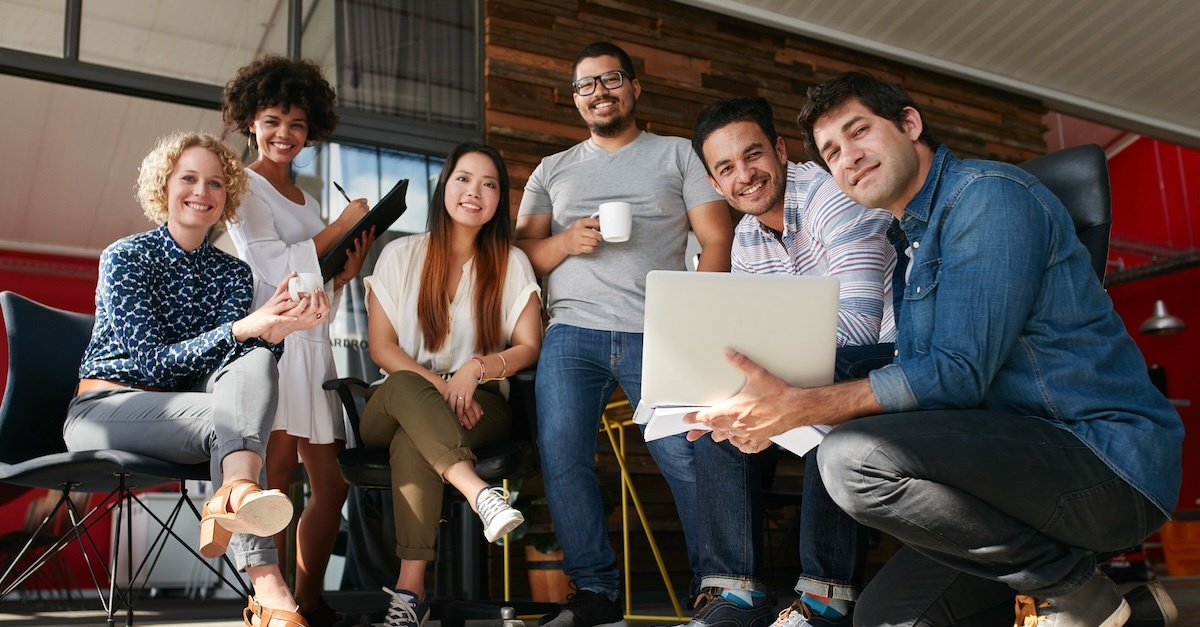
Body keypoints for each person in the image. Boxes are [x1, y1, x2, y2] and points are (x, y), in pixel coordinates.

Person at [691, 70, 1183, 627]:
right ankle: (1128, 613)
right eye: (832, 151)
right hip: (1001, 480)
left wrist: (800, 406)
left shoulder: (988, 198)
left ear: (909, 123)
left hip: (1099, 462)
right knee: (885, 618)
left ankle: (1072, 588)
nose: (847, 157)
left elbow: (957, 375)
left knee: (852, 459)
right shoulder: (909, 241)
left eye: (859, 133)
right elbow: (925, 386)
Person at [64, 132, 330, 627]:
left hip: (195, 417)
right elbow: (150, 365)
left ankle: (235, 494)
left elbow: (228, 371)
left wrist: (279, 332)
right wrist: (243, 329)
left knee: (254, 365)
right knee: (240, 423)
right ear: (164, 186)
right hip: (107, 411)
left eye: (215, 183)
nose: (201, 191)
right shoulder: (125, 257)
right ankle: (268, 583)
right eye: (188, 178)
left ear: (227, 195)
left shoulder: (233, 274)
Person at [514, 41, 737, 627]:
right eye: (586, 85)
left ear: (634, 87)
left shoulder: (678, 155)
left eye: (611, 79)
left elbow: (716, 239)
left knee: (683, 457)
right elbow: (517, 257)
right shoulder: (552, 169)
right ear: (575, 99)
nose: (599, 92)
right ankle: (595, 593)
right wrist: (564, 243)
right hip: (571, 333)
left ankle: (716, 588)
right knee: (562, 459)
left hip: (656, 330)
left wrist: (692, 318)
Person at [689, 96, 897, 627]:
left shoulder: (833, 196)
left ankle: (825, 599)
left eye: (754, 155)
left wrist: (775, 402)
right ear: (716, 184)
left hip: (888, 365)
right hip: (814, 374)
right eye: (727, 168)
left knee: (834, 369)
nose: (746, 176)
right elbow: (756, 349)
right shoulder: (745, 241)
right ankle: (734, 595)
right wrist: (744, 404)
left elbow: (858, 328)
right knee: (717, 408)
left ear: (781, 151)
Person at [359, 142, 542, 627]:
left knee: (413, 439)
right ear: (445, 186)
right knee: (404, 389)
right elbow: (383, 350)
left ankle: (410, 593)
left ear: (500, 199)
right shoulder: (399, 255)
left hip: (480, 404)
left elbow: (527, 347)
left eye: (489, 184)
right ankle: (480, 493)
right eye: (463, 178)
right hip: (398, 397)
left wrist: (476, 369)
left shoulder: (510, 263)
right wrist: (442, 388)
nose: (474, 192)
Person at [222, 55, 376, 627]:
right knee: (278, 479)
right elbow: (270, 267)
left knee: (331, 485)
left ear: (311, 130)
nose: (283, 134)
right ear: (250, 123)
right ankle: (272, 606)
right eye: (271, 120)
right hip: (277, 346)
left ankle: (310, 600)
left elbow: (315, 284)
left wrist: (342, 273)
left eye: (296, 125)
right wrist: (341, 226)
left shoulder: (308, 201)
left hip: (314, 348)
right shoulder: (244, 187)